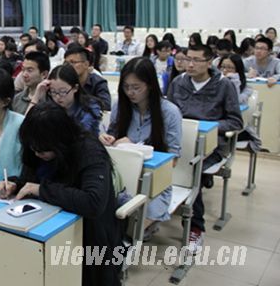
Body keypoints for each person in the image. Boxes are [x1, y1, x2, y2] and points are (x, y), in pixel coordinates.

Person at [0, 102, 122, 286]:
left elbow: (93, 202)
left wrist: (41, 190)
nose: (37, 154)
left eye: (42, 150)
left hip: (88, 238)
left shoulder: (89, 151)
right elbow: (32, 182)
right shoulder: (36, 148)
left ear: (60, 141)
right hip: (44, 226)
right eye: (33, 148)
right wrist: (15, 185)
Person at [167, 44, 243, 252]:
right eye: (187, 59)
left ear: (209, 62)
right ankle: (151, 219)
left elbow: (236, 122)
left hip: (212, 146)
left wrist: (207, 127)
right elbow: (168, 113)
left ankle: (196, 228)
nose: (190, 64)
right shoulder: (178, 82)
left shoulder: (224, 85)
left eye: (196, 60)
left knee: (194, 171)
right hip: (181, 142)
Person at [100, 57, 182, 237]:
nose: (130, 92)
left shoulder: (169, 112)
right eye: (126, 87)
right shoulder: (120, 106)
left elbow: (173, 161)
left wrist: (135, 149)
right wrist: (107, 140)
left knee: (130, 229)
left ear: (150, 85)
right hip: (121, 177)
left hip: (154, 183)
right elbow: (113, 140)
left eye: (136, 87)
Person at [32, 64, 102, 135]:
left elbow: (82, 134)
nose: (57, 97)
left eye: (63, 91)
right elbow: (29, 127)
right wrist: (36, 97)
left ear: (75, 88)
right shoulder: (48, 106)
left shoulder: (90, 107)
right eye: (53, 91)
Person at [64, 45, 112, 111]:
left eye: (73, 62)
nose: (68, 66)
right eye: (66, 63)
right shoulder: (64, 80)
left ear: (86, 64)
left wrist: (79, 99)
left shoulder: (98, 82)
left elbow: (106, 105)